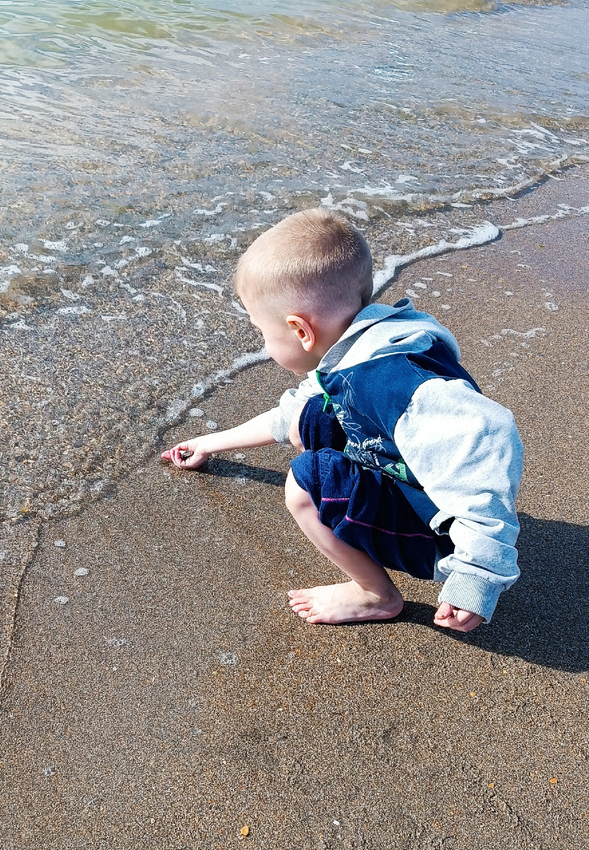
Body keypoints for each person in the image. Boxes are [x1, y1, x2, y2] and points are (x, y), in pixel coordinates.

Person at [161, 209, 522, 632]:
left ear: (301, 330)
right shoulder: (362, 346)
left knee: (305, 480)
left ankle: (374, 594)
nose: (263, 343)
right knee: (316, 416)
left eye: (262, 332)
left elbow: (490, 436)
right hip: (419, 484)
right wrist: (209, 443)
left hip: (446, 538)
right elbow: (291, 418)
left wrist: (476, 578)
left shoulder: (391, 381)